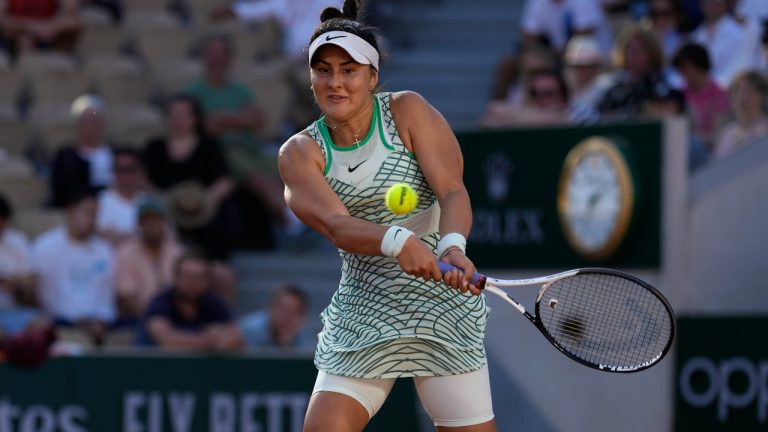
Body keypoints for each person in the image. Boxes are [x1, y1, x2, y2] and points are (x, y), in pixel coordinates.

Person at [277, 2, 494, 431]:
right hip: (365, 311)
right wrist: (398, 241)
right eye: (323, 71)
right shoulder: (300, 153)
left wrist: (453, 245)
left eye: (349, 70)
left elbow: (452, 190)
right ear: (311, 78)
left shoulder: (408, 111)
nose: (335, 82)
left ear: (372, 77)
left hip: (443, 308)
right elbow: (337, 226)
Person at [31, 189, 115, 346]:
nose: (92, 220)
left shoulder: (105, 250)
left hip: (100, 324)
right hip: (61, 322)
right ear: (70, 211)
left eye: (96, 215)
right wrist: (79, 322)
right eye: (88, 213)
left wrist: (99, 321)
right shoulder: (45, 247)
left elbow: (106, 296)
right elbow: (45, 296)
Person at [135, 251, 243, 351]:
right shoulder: (160, 301)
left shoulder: (213, 302)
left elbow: (236, 338)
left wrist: (223, 337)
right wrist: (207, 341)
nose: (192, 283)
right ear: (176, 278)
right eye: (187, 277)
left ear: (208, 281)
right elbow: (165, 339)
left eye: (199, 278)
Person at [114, 195, 184, 323]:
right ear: (139, 224)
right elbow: (126, 297)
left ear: (165, 222)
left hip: (176, 319)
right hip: (139, 319)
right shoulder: (126, 253)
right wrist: (150, 320)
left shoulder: (178, 253)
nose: (151, 225)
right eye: (146, 221)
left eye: (156, 219)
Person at [49, 94, 114, 208]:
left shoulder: (115, 154)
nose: (89, 126)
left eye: (93, 120)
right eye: (85, 120)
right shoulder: (65, 157)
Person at [672, 42, 732, 151]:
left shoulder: (721, 97)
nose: (682, 73)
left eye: (685, 67)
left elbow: (721, 135)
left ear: (699, 65)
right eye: (680, 69)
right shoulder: (678, 95)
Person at [0, 194, 43, 336]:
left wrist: (13, 283)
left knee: (41, 325)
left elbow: (31, 282)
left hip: (13, 310)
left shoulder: (18, 242)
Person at [96, 147, 148, 247]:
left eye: (129, 169)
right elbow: (100, 234)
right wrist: (135, 235)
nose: (124, 175)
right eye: (119, 170)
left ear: (139, 171)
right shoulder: (102, 200)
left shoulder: (148, 201)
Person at [239, 284, 314, 351]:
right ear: (270, 307)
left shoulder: (303, 333)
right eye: (282, 309)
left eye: (292, 312)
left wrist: (286, 345)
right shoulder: (248, 329)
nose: (286, 316)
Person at [713, 70, 768, 159]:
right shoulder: (728, 133)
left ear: (763, 96)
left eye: (750, 92)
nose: (743, 97)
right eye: (738, 92)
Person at [0, 0, 81, 58]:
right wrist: (32, 28)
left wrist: (50, 27)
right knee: (24, 39)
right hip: (15, 36)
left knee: (72, 25)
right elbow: (2, 17)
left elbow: (72, 17)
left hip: (48, 37)